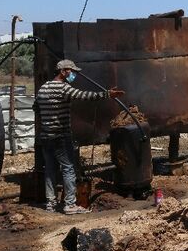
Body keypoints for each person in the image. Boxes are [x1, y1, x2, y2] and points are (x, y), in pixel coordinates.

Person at [35, 59, 124, 214]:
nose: (73, 74)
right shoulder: (64, 88)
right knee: (68, 168)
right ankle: (69, 205)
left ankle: (50, 203)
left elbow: (36, 107)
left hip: (46, 136)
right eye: (71, 71)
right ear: (63, 72)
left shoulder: (43, 88)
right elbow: (85, 96)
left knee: (49, 169)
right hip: (60, 136)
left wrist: (48, 118)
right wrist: (107, 94)